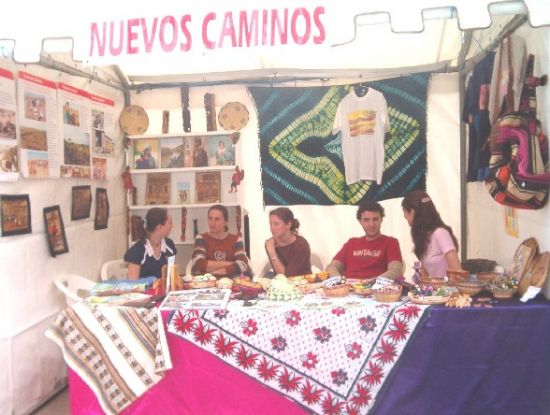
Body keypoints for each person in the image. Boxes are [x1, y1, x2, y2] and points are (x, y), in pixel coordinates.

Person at [326, 201, 403, 281]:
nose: (371, 224)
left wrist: (371, 283)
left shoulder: (391, 242)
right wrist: (339, 281)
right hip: (347, 288)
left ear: (381, 220)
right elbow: (331, 267)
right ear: (360, 221)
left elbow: (396, 270)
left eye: (375, 219)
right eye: (366, 220)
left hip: (375, 289)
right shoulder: (351, 243)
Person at [401, 190, 462, 278]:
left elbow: (458, 273)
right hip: (434, 290)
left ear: (413, 212)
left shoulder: (440, 233)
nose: (406, 218)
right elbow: (426, 275)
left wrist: (443, 290)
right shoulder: (422, 237)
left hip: (449, 290)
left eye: (406, 214)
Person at [191, 204, 251, 278]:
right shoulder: (201, 238)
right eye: (210, 218)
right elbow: (199, 263)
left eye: (217, 219)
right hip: (205, 283)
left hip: (231, 283)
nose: (212, 223)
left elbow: (242, 264)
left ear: (226, 222)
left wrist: (213, 273)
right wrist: (231, 264)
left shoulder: (236, 240)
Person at [124, 208, 177, 279]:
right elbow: (132, 285)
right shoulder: (137, 251)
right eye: (170, 223)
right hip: (143, 290)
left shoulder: (169, 245)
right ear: (159, 227)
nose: (172, 226)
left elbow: (172, 276)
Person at [265, 207, 312, 277]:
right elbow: (279, 276)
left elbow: (286, 277)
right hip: (281, 284)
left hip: (304, 284)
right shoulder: (270, 244)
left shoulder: (301, 244)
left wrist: (272, 252)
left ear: (288, 225)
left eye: (276, 224)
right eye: (270, 224)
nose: (272, 228)